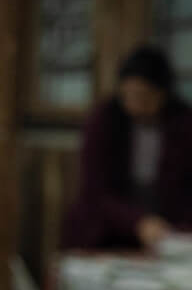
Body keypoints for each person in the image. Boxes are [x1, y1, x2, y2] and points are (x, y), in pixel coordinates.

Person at [63, 45, 192, 251]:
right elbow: (96, 190)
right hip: (106, 230)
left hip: (167, 231)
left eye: (143, 96)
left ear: (163, 92)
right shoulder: (104, 120)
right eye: (127, 95)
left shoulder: (183, 123)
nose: (134, 105)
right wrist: (137, 222)